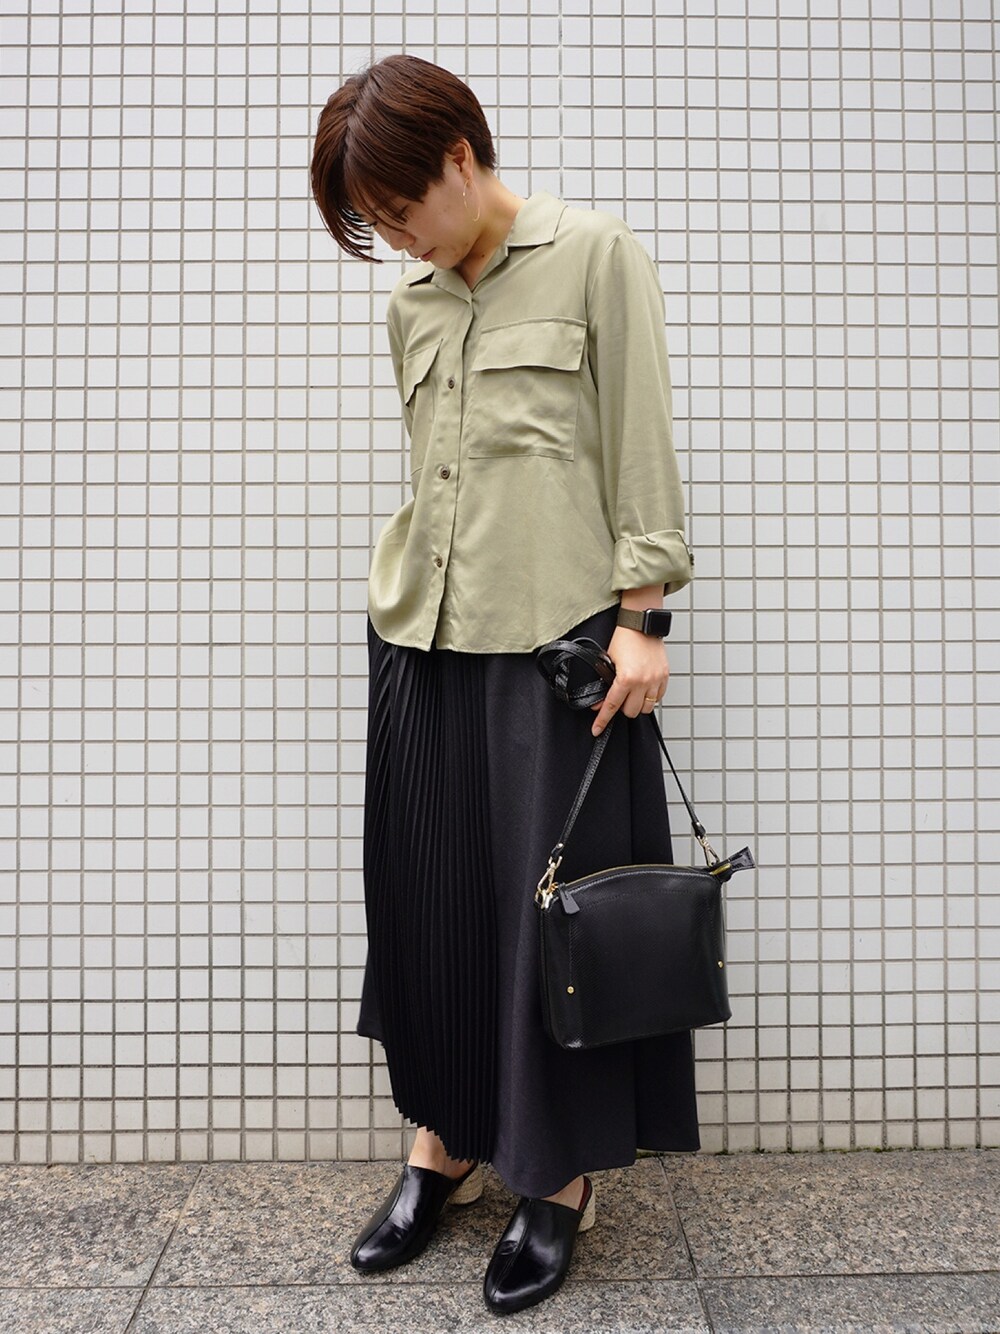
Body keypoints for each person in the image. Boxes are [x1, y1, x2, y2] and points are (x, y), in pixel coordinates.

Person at [310, 53, 699, 1317]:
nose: (395, 237)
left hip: (555, 642)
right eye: (371, 223)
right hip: (420, 641)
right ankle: (444, 1142)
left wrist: (642, 617)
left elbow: (637, 441)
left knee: (549, 920)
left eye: (398, 208)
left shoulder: (594, 255)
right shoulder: (413, 302)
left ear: (460, 157)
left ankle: (556, 1175)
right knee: (428, 903)